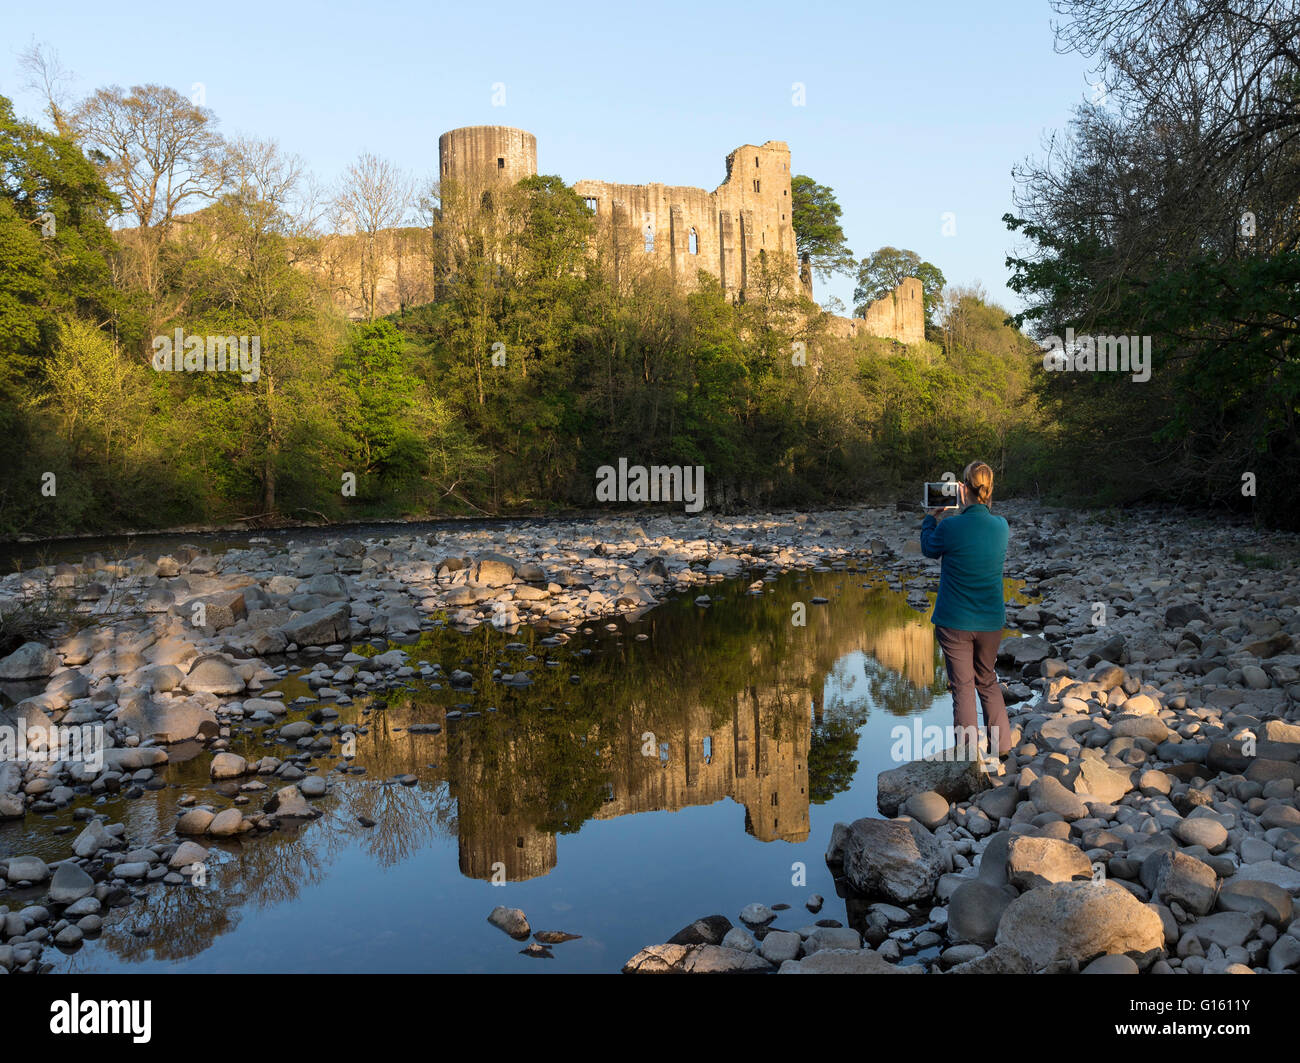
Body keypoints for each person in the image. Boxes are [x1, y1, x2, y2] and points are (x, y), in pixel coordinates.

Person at [919, 461, 1012, 765]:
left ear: (962, 489)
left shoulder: (949, 526)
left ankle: (969, 758)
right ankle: (1002, 748)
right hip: (990, 622)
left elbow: (928, 549)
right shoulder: (1001, 526)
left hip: (954, 621)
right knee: (987, 680)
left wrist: (930, 519)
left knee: (963, 687)